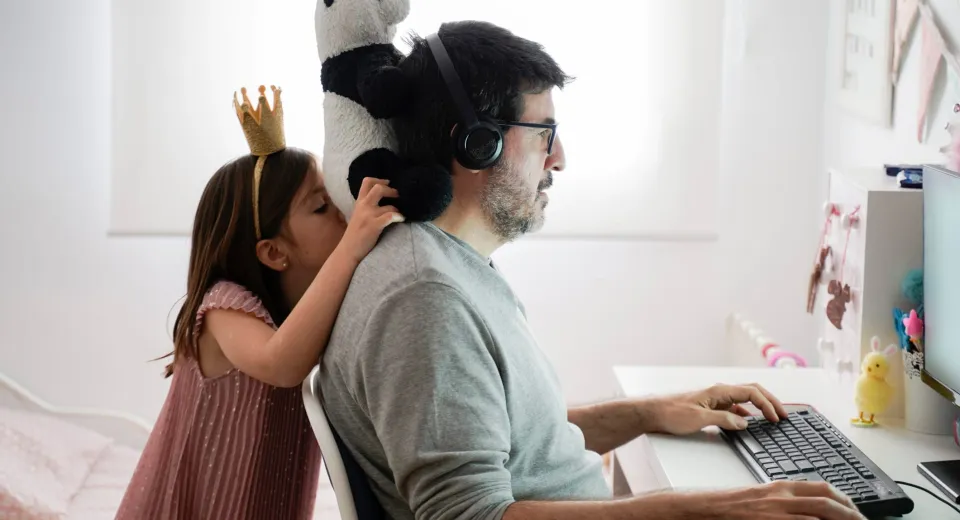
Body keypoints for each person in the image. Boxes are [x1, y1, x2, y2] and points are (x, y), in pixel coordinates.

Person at [318, 22, 867, 520]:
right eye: (544, 134)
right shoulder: (425, 297)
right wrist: (694, 510)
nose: (559, 159)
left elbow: (520, 445)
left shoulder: (447, 267)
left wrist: (652, 412)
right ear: (476, 143)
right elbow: (468, 515)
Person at [116, 86, 403, 520]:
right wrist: (352, 247)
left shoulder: (303, 310)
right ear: (273, 253)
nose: (343, 212)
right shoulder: (222, 307)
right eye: (322, 206)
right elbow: (281, 363)